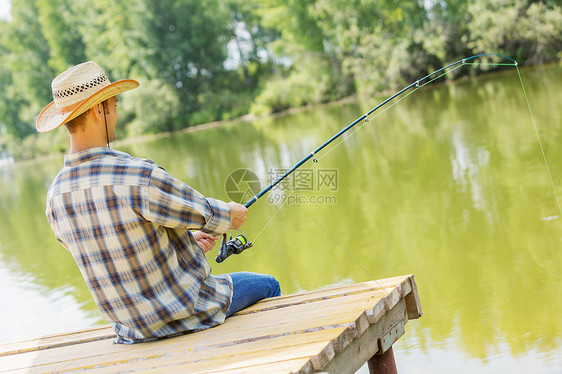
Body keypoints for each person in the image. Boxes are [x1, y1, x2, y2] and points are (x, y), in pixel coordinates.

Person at [37, 61, 280, 344]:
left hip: (132, 331)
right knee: (268, 284)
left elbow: (117, 248)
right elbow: (211, 214)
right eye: (114, 104)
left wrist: (184, 240)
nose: (117, 112)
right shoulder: (137, 175)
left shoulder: (55, 197)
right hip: (189, 311)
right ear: (96, 110)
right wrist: (231, 214)